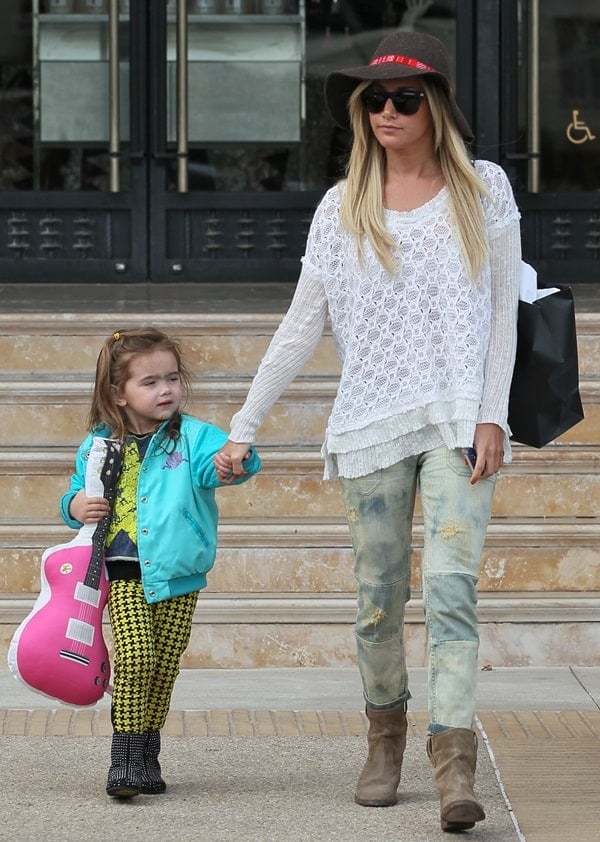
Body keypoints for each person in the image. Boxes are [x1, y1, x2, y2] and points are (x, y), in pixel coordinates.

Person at [215, 28, 521, 833]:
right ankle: (384, 740)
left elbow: (501, 317)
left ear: (437, 106)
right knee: (379, 599)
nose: (387, 110)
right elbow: (300, 324)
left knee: (452, 589)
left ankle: (455, 766)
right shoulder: (340, 203)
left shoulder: (483, 188)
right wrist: (244, 424)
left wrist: (493, 412)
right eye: (374, 98)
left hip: (459, 419)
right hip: (370, 427)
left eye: (406, 98)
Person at [60, 327, 261, 799]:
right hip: (123, 565)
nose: (165, 389)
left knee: (164, 665)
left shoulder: (192, 437)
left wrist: (237, 460)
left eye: (171, 378)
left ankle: (147, 755)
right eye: (149, 382)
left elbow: (223, 464)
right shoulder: (98, 445)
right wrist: (74, 506)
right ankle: (123, 759)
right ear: (118, 392)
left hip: (179, 570)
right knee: (135, 658)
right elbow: (73, 490)